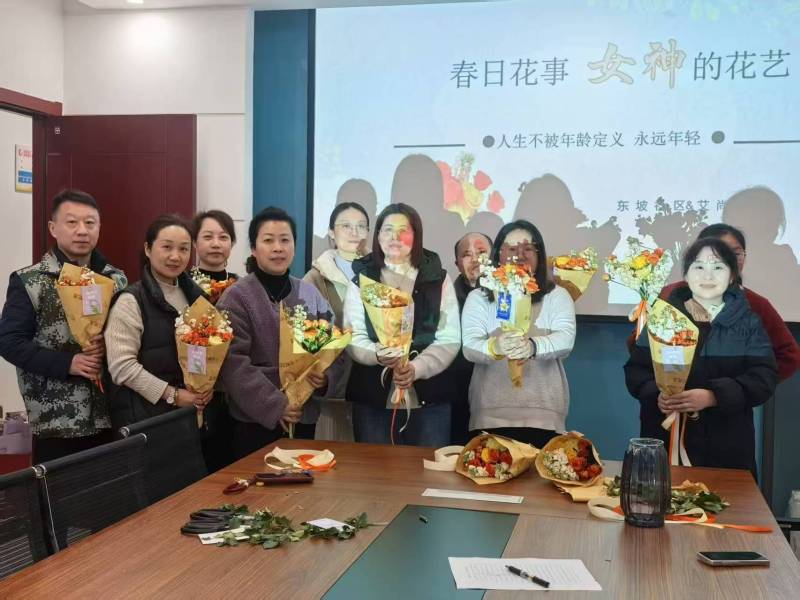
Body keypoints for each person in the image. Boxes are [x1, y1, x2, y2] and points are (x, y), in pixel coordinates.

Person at [624, 237, 778, 473]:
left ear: (732, 276)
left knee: (726, 497)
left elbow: (764, 378)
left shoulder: (748, 322)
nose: (708, 276)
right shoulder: (663, 318)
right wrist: (657, 393)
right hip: (665, 441)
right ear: (686, 275)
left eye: (717, 267)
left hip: (727, 447)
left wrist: (714, 396)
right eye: (699, 267)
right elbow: (636, 370)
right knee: (663, 494)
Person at [0, 189, 127, 463]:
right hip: (57, 422)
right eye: (71, 222)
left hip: (114, 415)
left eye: (90, 223)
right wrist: (68, 363)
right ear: (53, 228)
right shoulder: (30, 281)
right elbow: (9, 342)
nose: (82, 230)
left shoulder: (116, 280)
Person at [218, 207, 342, 459]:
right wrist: (276, 405)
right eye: (268, 240)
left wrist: (325, 376)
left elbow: (336, 345)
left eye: (285, 240)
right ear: (253, 249)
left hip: (304, 416)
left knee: (303, 480)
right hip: (254, 422)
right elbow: (233, 363)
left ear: (294, 246)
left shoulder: (310, 294)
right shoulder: (236, 298)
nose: (278, 248)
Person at [344, 203, 460, 447]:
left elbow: (449, 337)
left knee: (428, 468)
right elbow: (352, 335)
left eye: (403, 230)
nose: (394, 237)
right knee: (374, 468)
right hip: (373, 400)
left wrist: (417, 368)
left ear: (416, 236)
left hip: (430, 400)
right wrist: (378, 354)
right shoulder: (363, 277)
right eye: (387, 230)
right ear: (378, 236)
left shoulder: (436, 277)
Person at [628, 223, 800, 381]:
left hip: (727, 402)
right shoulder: (670, 294)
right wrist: (662, 389)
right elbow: (638, 349)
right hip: (672, 399)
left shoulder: (755, 304)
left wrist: (744, 388)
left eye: (736, 253)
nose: (727, 259)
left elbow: (789, 355)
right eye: (715, 254)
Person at [461, 220, 576, 448]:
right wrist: (495, 347)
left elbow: (565, 339)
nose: (519, 255)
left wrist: (532, 346)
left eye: (528, 248)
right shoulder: (480, 297)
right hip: (490, 413)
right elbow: (469, 346)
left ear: (539, 255)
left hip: (544, 415)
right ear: (498, 254)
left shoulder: (557, 295)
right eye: (512, 248)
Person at [105, 214, 211, 430]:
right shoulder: (131, 300)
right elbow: (121, 367)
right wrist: (173, 395)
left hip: (187, 420)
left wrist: (206, 386)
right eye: (167, 247)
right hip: (144, 421)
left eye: (183, 249)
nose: (175, 256)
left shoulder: (197, 298)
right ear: (148, 249)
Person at [304, 202, 370, 441]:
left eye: (361, 226)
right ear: (331, 232)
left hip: (371, 389)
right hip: (333, 392)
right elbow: (307, 339)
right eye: (346, 226)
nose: (354, 232)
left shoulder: (380, 274)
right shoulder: (314, 279)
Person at [450, 232, 491, 444]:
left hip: (497, 394)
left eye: (482, 252)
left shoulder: (511, 295)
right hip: (457, 393)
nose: (475, 259)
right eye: (466, 255)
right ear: (457, 264)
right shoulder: (445, 299)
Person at [191, 209, 240, 287]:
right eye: (208, 236)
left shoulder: (240, 286)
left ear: (232, 243)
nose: (216, 244)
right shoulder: (183, 283)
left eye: (223, 237)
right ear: (194, 242)